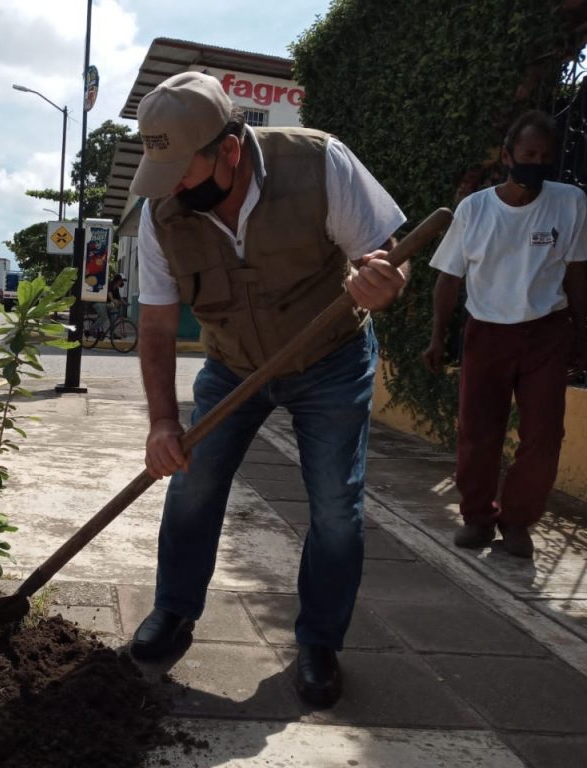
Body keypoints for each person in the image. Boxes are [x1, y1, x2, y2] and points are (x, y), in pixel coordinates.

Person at [128, 71, 407, 709]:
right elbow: (156, 326)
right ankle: (173, 611)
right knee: (192, 481)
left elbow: (387, 258)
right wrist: (163, 424)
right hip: (232, 365)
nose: (170, 186)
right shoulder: (162, 212)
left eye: (182, 169)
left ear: (229, 149)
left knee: (336, 507)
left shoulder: (319, 163)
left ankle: (318, 642)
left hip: (330, 360)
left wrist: (386, 283)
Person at [422, 110, 587, 559]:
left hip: (547, 334)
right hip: (487, 333)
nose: (537, 162)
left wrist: (582, 334)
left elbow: (576, 275)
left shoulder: (570, 202)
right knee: (477, 432)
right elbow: (449, 279)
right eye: (529, 154)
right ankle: (478, 517)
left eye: (546, 156)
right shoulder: (474, 210)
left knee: (543, 436)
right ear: (507, 155)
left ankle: (518, 522)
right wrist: (438, 336)